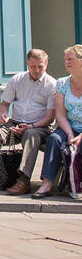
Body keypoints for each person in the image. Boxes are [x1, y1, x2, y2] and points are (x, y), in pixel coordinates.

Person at [0, 49, 56, 194]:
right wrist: (4, 113)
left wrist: (31, 126)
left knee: (31, 135)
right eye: (33, 66)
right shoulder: (18, 79)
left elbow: (50, 116)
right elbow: (4, 103)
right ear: (27, 63)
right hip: (15, 122)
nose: (37, 70)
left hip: (39, 125)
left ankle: (24, 180)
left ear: (46, 65)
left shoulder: (51, 85)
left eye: (40, 67)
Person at [33, 44, 82, 198]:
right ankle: (47, 183)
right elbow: (60, 114)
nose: (66, 62)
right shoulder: (62, 83)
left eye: (70, 59)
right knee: (54, 138)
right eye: (65, 59)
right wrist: (68, 133)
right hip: (70, 126)